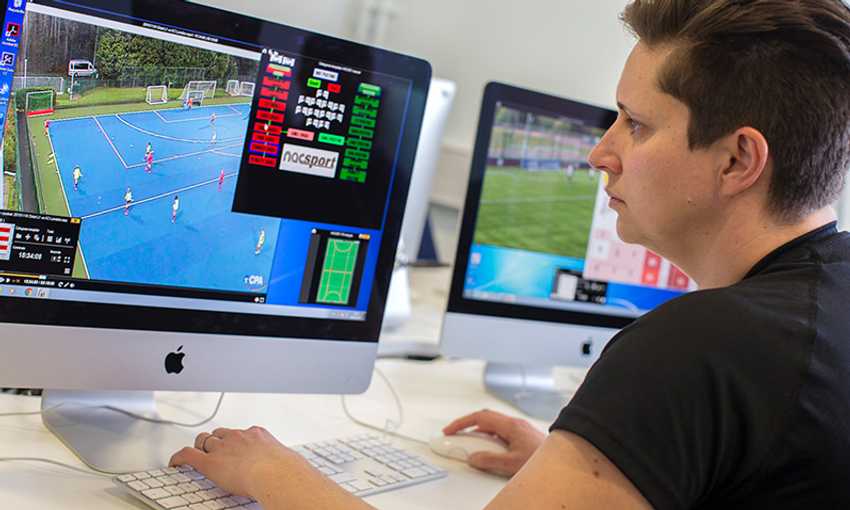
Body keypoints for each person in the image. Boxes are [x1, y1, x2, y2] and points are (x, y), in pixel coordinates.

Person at [169, 1, 850, 508]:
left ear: (738, 159)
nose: (600, 152)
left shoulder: (697, 347)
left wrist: (273, 475)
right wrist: (602, 458)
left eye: (636, 125)